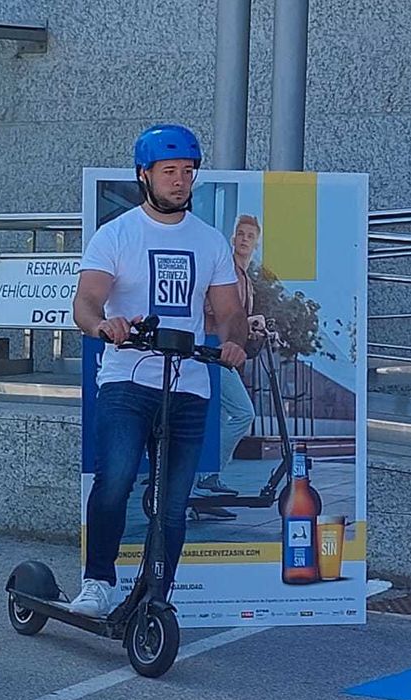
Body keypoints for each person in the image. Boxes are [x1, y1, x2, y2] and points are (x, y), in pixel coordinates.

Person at [70, 124, 248, 618]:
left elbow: (229, 311)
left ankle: (158, 594)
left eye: (188, 172)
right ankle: (98, 583)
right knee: (115, 481)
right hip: (128, 381)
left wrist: (233, 341)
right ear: (143, 175)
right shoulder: (117, 234)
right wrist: (103, 324)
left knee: (172, 502)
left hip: (188, 385)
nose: (180, 181)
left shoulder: (209, 241)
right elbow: (86, 301)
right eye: (169, 171)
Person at [192, 214, 267, 519]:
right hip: (212, 351)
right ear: (233, 238)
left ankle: (201, 499)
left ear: (256, 242)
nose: (245, 239)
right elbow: (211, 311)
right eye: (241, 234)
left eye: (251, 235)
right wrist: (247, 322)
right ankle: (206, 478)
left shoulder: (245, 278)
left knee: (220, 417)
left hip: (223, 354)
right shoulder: (227, 272)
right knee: (243, 413)